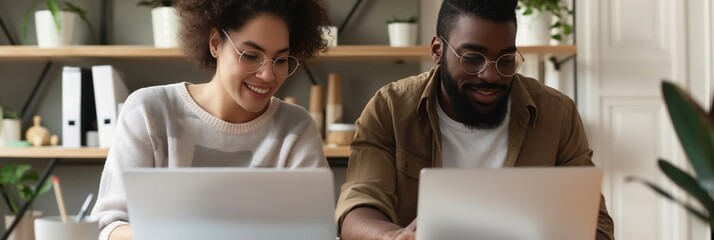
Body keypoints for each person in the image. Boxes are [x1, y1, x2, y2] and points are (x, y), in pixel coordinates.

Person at [335, 0, 615, 239]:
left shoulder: (558, 115)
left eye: (505, 60)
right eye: (472, 58)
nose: (491, 76)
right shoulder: (390, 109)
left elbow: (597, 224)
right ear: (437, 50)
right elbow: (359, 203)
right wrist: (394, 236)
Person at [90, 1, 331, 239]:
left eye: (280, 60)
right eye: (250, 55)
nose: (268, 75)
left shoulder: (296, 128)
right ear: (216, 43)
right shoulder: (149, 111)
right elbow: (108, 228)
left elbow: (316, 231)